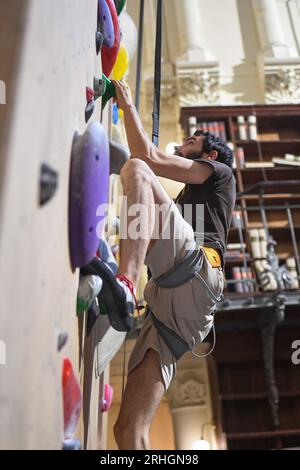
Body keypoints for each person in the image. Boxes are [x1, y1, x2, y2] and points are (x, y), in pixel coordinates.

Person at [108, 80, 236, 450]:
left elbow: (147, 158)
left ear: (209, 158)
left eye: (194, 141)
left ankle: (126, 285)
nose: (186, 142)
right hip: (180, 309)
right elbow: (146, 232)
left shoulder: (221, 174)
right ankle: (128, 285)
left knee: (137, 170)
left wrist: (127, 104)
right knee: (128, 432)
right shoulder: (185, 204)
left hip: (194, 276)